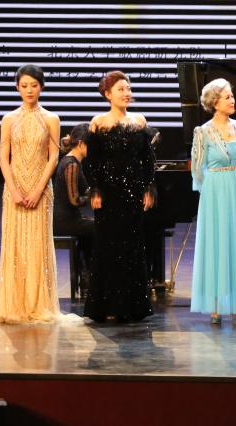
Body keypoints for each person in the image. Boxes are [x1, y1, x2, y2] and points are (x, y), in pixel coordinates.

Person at [83, 71, 156, 323]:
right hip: (108, 196)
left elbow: (148, 160)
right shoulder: (99, 122)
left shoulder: (139, 121)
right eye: (121, 89)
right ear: (108, 94)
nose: (127, 93)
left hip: (133, 194)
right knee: (107, 247)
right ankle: (106, 306)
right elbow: (91, 162)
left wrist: (148, 188)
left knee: (132, 247)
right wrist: (95, 190)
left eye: (128, 88)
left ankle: (131, 307)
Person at [190, 78, 236, 325]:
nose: (232, 100)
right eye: (227, 97)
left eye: (232, 96)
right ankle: (216, 306)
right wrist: (211, 191)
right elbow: (198, 169)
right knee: (217, 243)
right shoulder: (203, 131)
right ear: (214, 102)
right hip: (215, 192)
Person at [0, 65, 61, 324]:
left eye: (34, 85)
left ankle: (38, 304)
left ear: (41, 87)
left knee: (38, 247)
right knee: (15, 246)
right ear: (17, 88)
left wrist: (38, 189)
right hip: (14, 190)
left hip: (41, 190)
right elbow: (3, 157)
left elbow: (53, 157)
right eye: (24, 86)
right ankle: (15, 305)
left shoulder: (51, 118)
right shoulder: (9, 119)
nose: (29, 90)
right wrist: (13, 189)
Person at [53, 123, 95, 290]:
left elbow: (85, 189)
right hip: (63, 221)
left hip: (69, 218)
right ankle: (88, 274)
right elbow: (75, 200)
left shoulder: (75, 161)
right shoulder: (71, 164)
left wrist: (95, 190)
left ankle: (86, 275)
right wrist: (93, 196)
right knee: (98, 227)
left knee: (90, 228)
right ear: (80, 143)